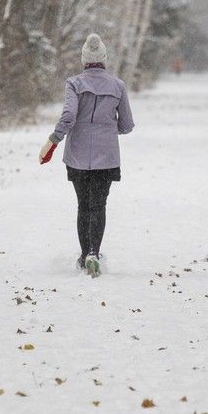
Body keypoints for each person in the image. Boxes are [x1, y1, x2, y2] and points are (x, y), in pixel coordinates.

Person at [39, 33, 135, 277]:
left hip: (78, 156)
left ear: (84, 59)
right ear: (104, 59)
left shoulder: (74, 83)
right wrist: (107, 126)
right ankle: (94, 253)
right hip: (107, 157)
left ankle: (84, 256)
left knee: (83, 205)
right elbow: (126, 125)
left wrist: (53, 140)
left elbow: (69, 116)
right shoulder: (118, 86)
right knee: (99, 205)